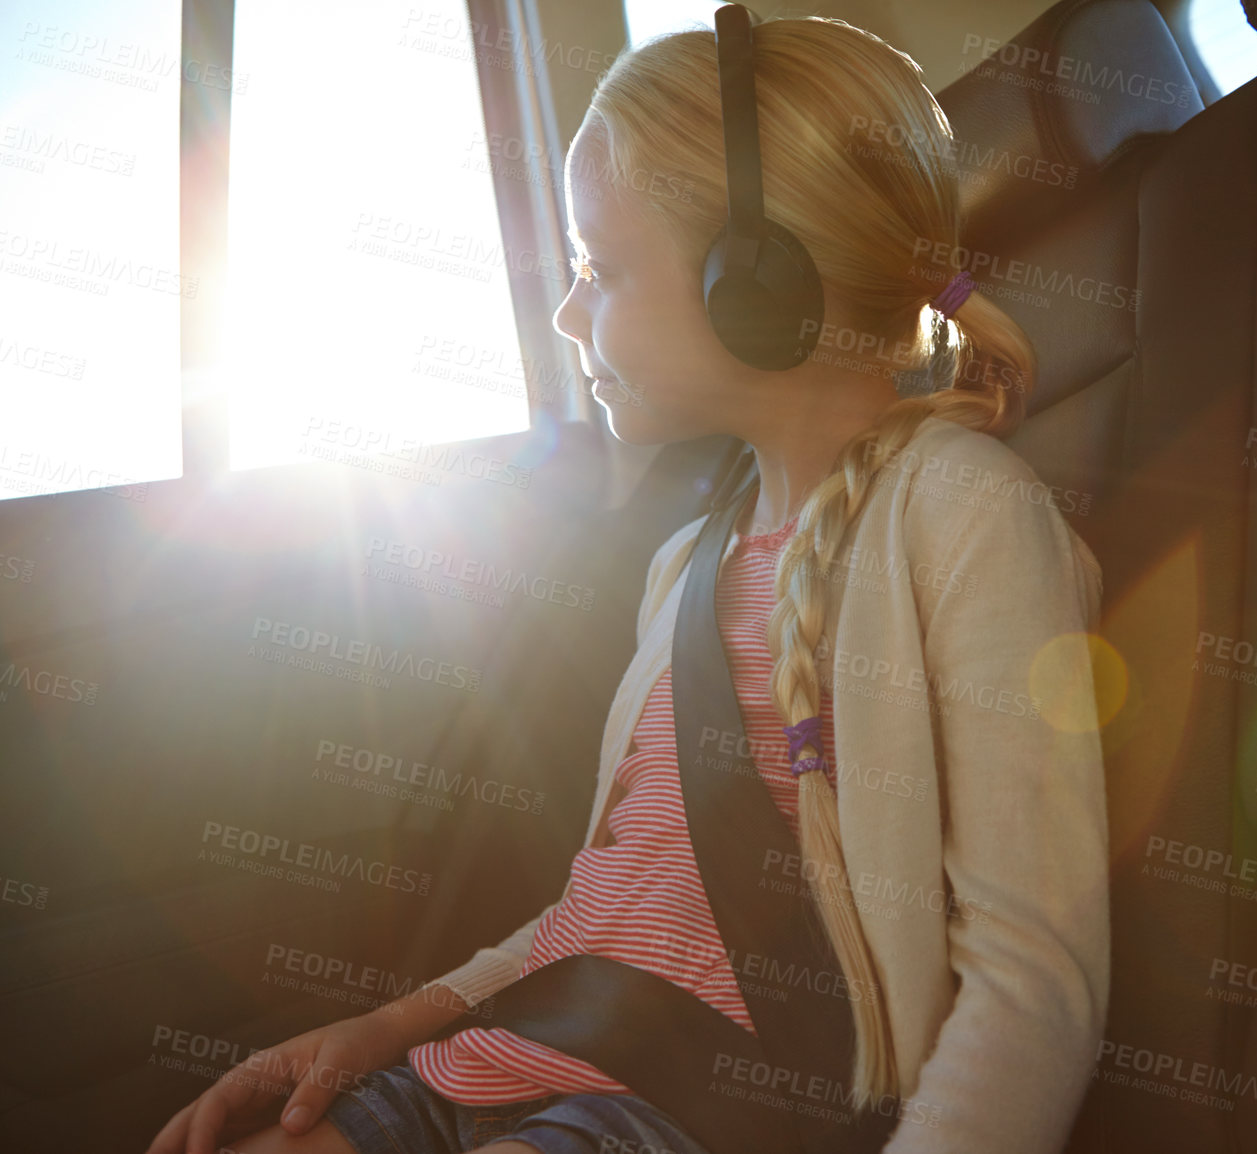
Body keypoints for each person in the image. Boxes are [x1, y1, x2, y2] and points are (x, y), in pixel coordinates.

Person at [145, 14, 1108, 1154]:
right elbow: (598, 910)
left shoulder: (962, 512)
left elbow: (1032, 981)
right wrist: (384, 1027)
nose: (567, 312)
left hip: (700, 1105)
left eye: (597, 268)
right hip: (495, 1057)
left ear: (758, 279)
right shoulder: (680, 568)